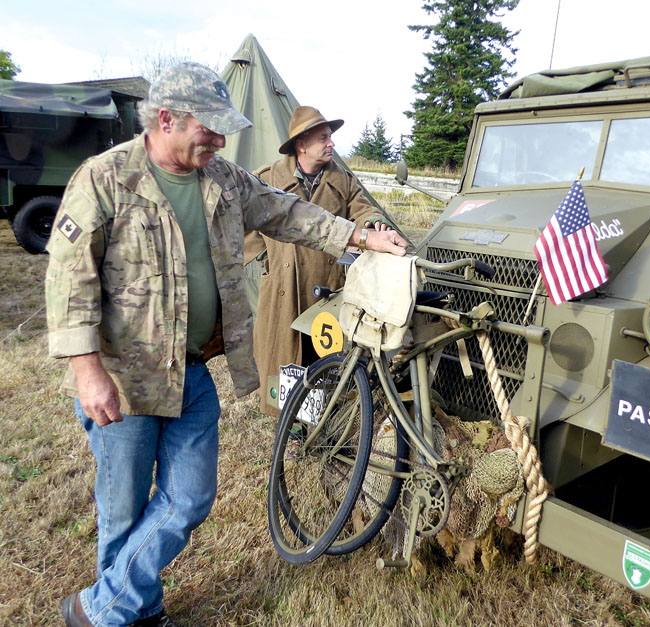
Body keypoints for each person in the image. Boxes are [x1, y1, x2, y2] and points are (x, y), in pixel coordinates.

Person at [47, 62, 407, 627]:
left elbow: (288, 212)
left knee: (189, 499)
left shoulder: (224, 179)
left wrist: (360, 235)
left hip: (191, 373)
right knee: (121, 510)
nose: (219, 139)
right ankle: (135, 610)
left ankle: (99, 608)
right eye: (208, 127)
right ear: (166, 119)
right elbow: (69, 279)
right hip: (125, 377)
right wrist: (86, 370)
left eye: (222, 129)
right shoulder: (105, 178)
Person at [244, 105, 392, 416]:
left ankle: (324, 417)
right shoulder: (267, 179)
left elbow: (363, 210)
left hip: (327, 287)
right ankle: (290, 424)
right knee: (284, 353)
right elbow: (246, 224)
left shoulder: (342, 180)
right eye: (324, 138)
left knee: (322, 353)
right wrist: (265, 256)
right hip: (285, 286)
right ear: (302, 144)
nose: (332, 144)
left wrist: (374, 223)